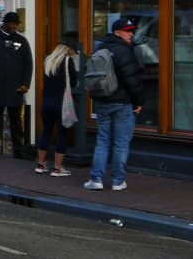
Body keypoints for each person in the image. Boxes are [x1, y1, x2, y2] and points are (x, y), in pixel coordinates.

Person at [86, 18, 145, 191]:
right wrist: (139, 102)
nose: (131, 34)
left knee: (103, 140)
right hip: (122, 102)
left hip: (103, 100)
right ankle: (118, 181)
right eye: (128, 31)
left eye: (132, 31)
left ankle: (96, 179)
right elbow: (131, 80)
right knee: (121, 143)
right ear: (117, 32)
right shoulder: (124, 51)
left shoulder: (101, 48)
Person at [0, 11, 33, 160]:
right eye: (13, 24)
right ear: (5, 23)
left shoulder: (22, 41)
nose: (15, 27)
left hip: (16, 87)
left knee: (16, 121)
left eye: (17, 24)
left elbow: (28, 64)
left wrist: (25, 84)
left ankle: (19, 151)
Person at [38, 41, 79, 177]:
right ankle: (57, 168)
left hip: (46, 102)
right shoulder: (68, 61)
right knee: (62, 133)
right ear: (68, 50)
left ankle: (41, 164)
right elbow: (73, 81)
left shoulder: (48, 60)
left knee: (46, 131)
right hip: (61, 103)